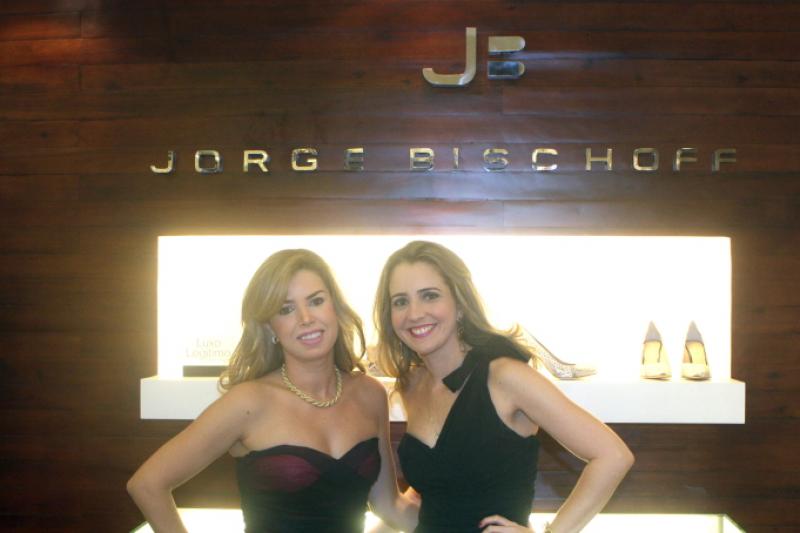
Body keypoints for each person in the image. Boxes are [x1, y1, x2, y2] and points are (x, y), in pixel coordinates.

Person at [128, 249, 418, 533]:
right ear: (269, 328)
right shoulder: (249, 402)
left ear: (335, 308)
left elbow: (388, 505)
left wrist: (443, 508)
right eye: (286, 309)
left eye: (316, 301)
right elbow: (147, 484)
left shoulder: (370, 394)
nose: (306, 318)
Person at [373, 241, 634, 533]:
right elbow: (440, 490)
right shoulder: (410, 385)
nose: (414, 313)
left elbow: (612, 456)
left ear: (460, 305)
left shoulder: (506, 377)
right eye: (400, 301)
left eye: (430, 296)